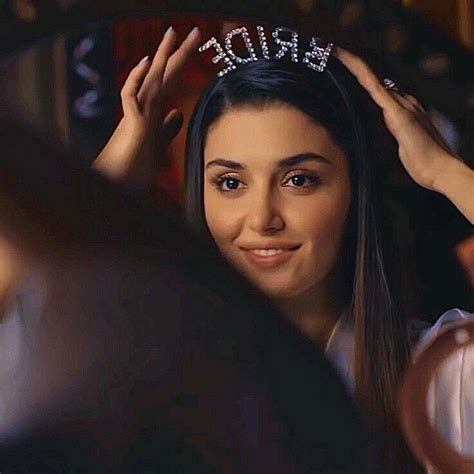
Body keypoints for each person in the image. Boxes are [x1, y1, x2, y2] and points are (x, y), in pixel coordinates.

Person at [92, 24, 474, 473]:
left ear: (355, 187)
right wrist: (102, 190)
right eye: (230, 183)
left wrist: (444, 172)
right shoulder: (141, 373)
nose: (262, 219)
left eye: (299, 180)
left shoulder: (443, 379)